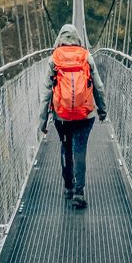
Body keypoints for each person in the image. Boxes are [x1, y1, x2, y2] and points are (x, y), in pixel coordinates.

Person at [39, 23, 107, 209]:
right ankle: (79, 192)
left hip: (62, 116)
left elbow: (46, 92)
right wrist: (102, 110)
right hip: (85, 114)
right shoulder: (87, 56)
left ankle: (68, 186)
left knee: (65, 147)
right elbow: (98, 87)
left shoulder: (54, 59)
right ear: (78, 38)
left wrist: (43, 120)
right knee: (80, 150)